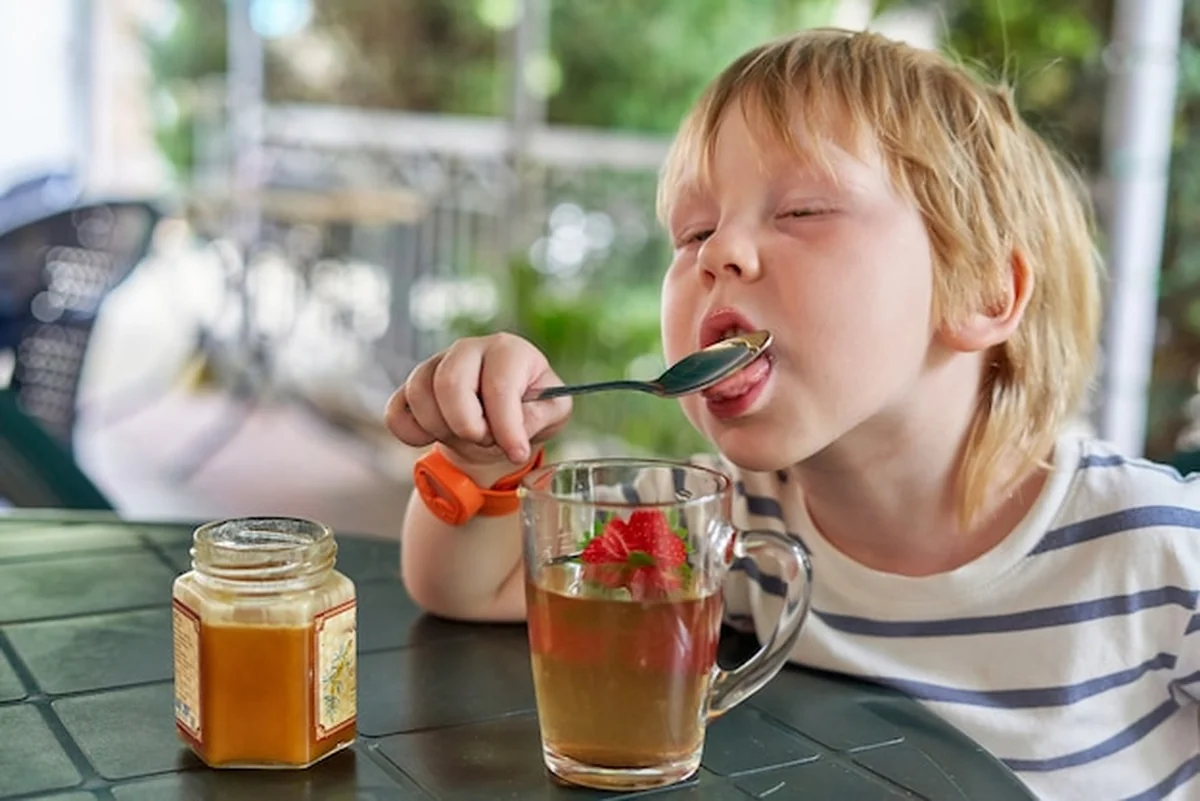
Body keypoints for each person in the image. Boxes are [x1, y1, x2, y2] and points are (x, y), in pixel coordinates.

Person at [386, 28, 1200, 800]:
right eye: (694, 229)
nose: (716, 252)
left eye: (803, 212)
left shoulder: (1150, 548)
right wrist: (486, 458)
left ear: (984, 291)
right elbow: (471, 586)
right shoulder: (727, 516)